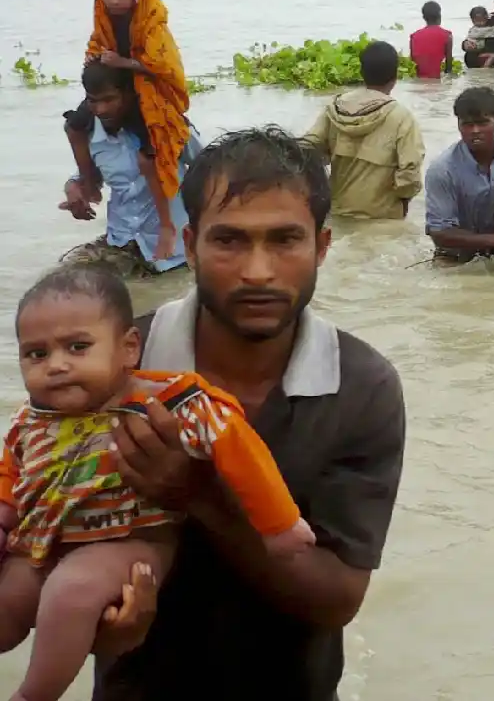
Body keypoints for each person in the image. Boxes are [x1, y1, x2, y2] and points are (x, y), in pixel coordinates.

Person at [91, 126, 406, 700]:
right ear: (189, 246)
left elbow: (337, 597)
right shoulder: (115, 373)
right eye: (229, 241)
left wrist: (198, 496)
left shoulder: (360, 385)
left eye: (285, 239)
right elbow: (51, 549)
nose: (258, 271)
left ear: (323, 246)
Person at [0, 264, 314, 701]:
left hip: (126, 541)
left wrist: (278, 524)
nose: (56, 366)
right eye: (37, 354)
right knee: (10, 595)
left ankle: (32, 696)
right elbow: (11, 475)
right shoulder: (29, 421)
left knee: (71, 591)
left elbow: (238, 448)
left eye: (77, 347)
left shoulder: (169, 403)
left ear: (129, 348)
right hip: (39, 541)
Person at [66, 0, 191, 264]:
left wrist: (122, 64)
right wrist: (78, 185)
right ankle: (89, 183)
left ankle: (167, 226)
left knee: (149, 158)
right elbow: (96, 48)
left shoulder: (152, 24)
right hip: (122, 237)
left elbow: (165, 68)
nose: (115, 1)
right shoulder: (97, 135)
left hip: (145, 91)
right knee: (73, 125)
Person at [59, 62, 201, 278]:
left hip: (176, 253)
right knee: (65, 279)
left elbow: (211, 167)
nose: (101, 109)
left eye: (109, 99)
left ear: (128, 94)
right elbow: (93, 176)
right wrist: (73, 186)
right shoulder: (90, 134)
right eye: (93, 101)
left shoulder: (168, 128)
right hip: (122, 242)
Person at [302, 40, 425, 219]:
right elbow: (410, 172)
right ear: (395, 76)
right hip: (382, 219)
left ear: (361, 72)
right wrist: (404, 200)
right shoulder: (401, 117)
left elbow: (306, 150)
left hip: (338, 214)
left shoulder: (335, 108)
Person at [425, 87, 494, 263]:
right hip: (454, 256)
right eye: (467, 124)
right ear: (458, 125)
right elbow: (439, 233)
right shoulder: (443, 170)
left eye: (482, 123)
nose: (475, 130)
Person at [408, 1, 454, 78]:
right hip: (437, 79)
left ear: (423, 18)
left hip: (419, 79)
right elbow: (448, 66)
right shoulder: (447, 35)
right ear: (439, 15)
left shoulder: (414, 36)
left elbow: (413, 61)